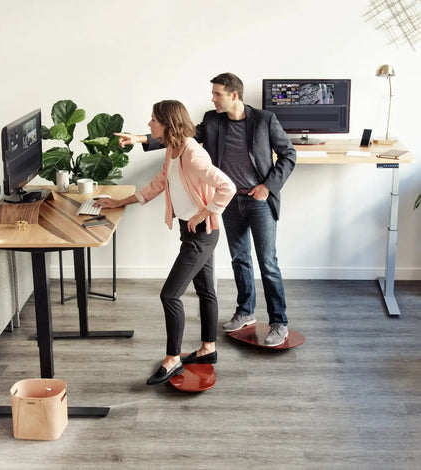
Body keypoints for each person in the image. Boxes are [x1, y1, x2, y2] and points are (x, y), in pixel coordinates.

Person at [115, 73, 296, 347]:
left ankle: (279, 322)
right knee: (240, 259)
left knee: (267, 262)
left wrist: (268, 186)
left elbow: (289, 154)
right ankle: (246, 311)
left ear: (234, 94)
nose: (212, 99)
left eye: (217, 94)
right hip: (228, 201)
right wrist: (141, 138)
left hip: (258, 199)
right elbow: (179, 134)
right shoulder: (213, 121)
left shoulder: (264, 120)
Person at [95, 100, 235, 385]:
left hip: (202, 233)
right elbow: (160, 183)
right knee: (206, 290)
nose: (149, 124)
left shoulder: (194, 155)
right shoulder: (173, 148)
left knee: (170, 295)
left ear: (167, 124)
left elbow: (227, 187)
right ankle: (209, 349)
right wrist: (119, 201)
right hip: (191, 231)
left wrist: (205, 212)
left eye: (153, 120)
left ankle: (172, 360)